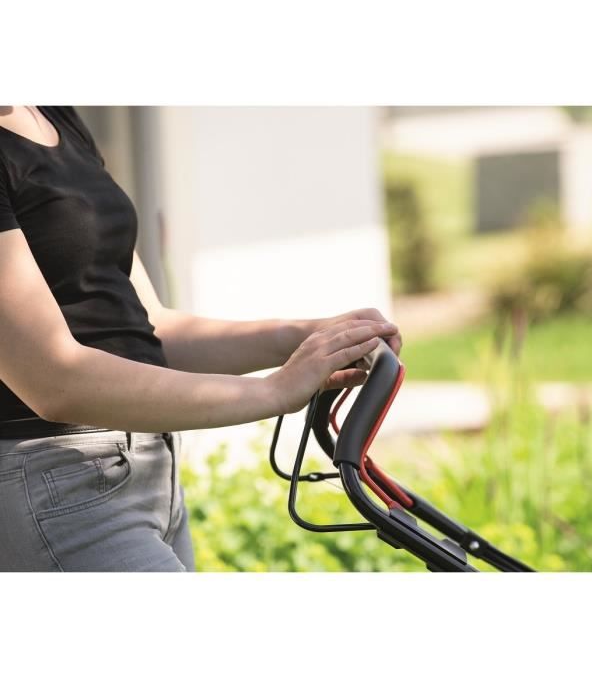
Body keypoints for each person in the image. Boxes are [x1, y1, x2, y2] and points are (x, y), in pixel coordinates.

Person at [0, 105, 402, 572]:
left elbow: (151, 329)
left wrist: (307, 339)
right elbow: (54, 380)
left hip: (150, 473)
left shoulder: (55, 115)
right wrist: (274, 391)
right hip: (54, 483)